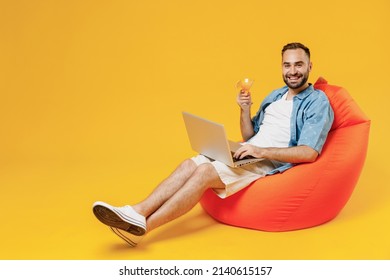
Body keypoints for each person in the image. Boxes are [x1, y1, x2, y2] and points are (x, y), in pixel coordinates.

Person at [92, 42, 334, 247]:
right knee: (190, 164)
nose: (292, 71)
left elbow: (309, 152)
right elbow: (249, 134)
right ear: (281, 66)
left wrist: (260, 151)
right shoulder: (275, 95)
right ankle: (136, 211)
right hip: (248, 151)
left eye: (298, 65)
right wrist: (245, 110)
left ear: (309, 67)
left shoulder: (317, 102)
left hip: (267, 161)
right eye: (287, 65)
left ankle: (142, 227)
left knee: (205, 171)